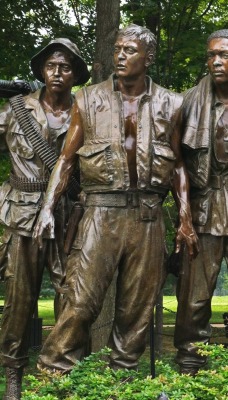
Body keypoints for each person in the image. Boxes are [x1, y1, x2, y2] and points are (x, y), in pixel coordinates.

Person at [33, 24, 198, 373]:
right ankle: (53, 378)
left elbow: (179, 166)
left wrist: (185, 220)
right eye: (118, 49)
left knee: (135, 313)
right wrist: (47, 208)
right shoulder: (87, 98)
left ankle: (121, 385)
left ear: (148, 58)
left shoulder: (173, 103)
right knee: (79, 303)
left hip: (149, 217)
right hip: (99, 214)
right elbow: (66, 159)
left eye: (130, 50)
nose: (121, 56)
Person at [0, 38, 89, 399]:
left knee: (72, 298)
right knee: (20, 299)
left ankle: (63, 373)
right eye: (51, 66)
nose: (56, 73)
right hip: (21, 213)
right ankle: (13, 374)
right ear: (40, 70)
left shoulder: (86, 111)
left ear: (75, 75)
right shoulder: (15, 109)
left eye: (65, 67)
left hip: (68, 214)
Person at [174, 29, 228, 376]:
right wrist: (184, 216)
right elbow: (174, 160)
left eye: (224, 55)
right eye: (211, 56)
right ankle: (189, 366)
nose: (217, 61)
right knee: (194, 296)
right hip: (205, 203)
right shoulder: (188, 102)